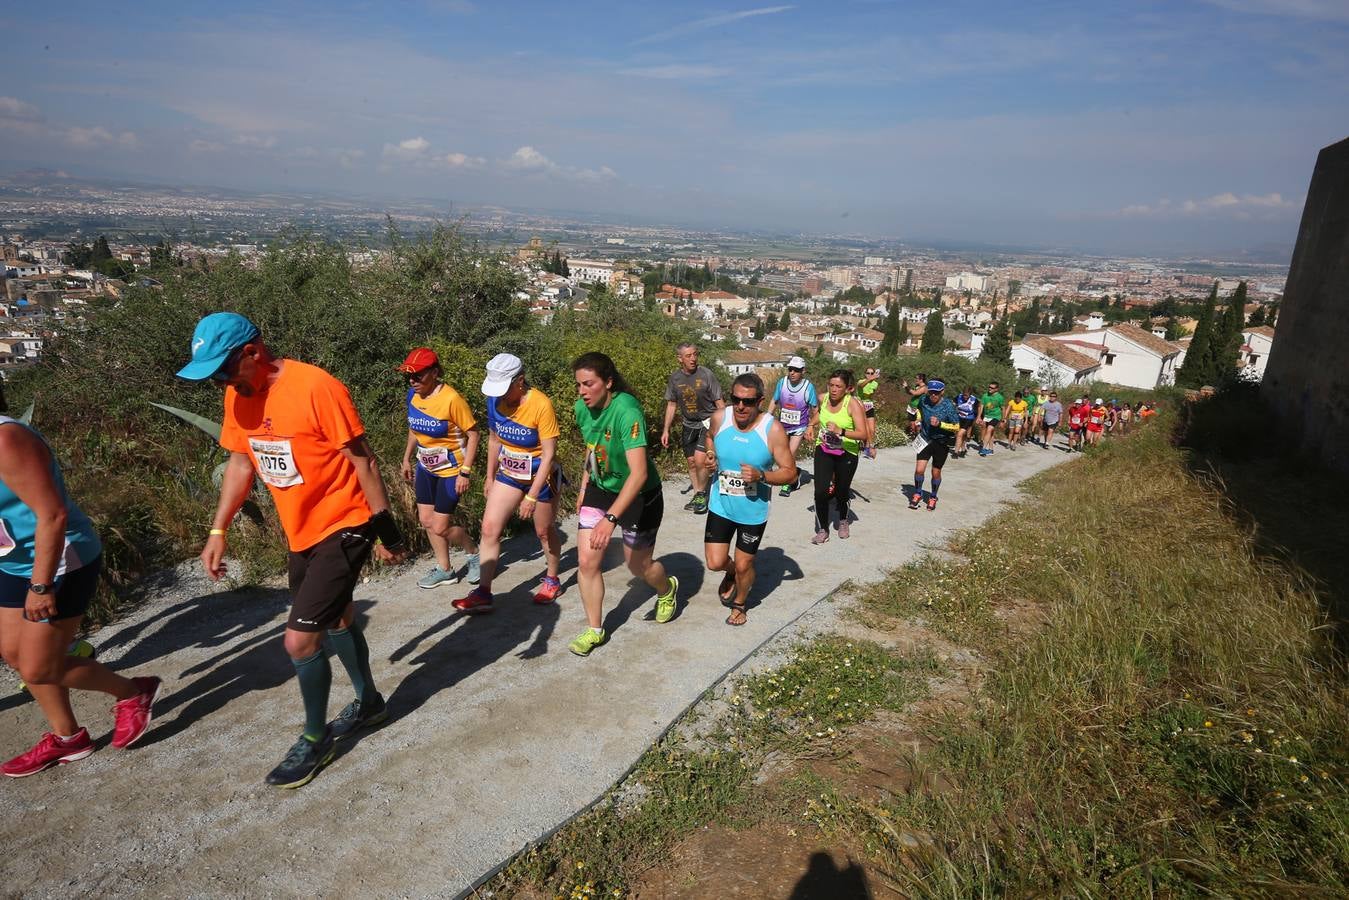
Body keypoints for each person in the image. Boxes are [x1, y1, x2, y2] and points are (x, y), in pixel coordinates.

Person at [183, 312, 407, 788]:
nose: (221, 382)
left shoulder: (316, 387)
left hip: (346, 522)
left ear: (252, 352)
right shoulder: (236, 395)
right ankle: (369, 703)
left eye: (223, 370)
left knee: (299, 640)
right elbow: (241, 463)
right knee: (341, 615)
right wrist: (218, 529)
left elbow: (362, 460)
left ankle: (314, 737)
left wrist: (387, 531)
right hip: (299, 530)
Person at [0, 387, 161, 778]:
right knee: (15, 655)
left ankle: (132, 692)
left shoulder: (6, 439)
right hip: (12, 561)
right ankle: (68, 738)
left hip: (58, 562)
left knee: (40, 668)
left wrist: (41, 586)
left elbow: (52, 515)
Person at [571, 352, 680, 656]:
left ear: (607, 382)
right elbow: (592, 448)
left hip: (639, 493)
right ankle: (594, 629)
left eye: (588, 384)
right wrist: (584, 486)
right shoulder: (582, 408)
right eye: (578, 385)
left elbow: (639, 472)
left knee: (638, 565)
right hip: (600, 486)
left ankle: (666, 588)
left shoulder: (627, 411)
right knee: (587, 561)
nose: (581, 391)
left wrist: (610, 519)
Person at [455, 353, 564, 613]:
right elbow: (494, 440)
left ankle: (552, 578)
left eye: (505, 390)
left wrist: (532, 496)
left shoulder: (541, 404)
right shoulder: (494, 400)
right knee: (489, 528)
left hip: (541, 476)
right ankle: (483, 591)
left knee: (543, 532)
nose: (501, 396)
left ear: (520, 381)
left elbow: (549, 454)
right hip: (509, 473)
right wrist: (490, 476)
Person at [703, 374, 797, 626]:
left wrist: (762, 475)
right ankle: (731, 573)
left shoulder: (772, 429)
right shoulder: (720, 418)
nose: (741, 407)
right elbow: (710, 437)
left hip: (752, 511)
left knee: (745, 564)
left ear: (760, 401)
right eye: (736, 400)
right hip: (721, 503)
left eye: (748, 401)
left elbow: (790, 472)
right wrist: (711, 454)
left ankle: (740, 604)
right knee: (715, 562)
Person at [397, 348, 481, 594]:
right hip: (425, 466)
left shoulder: (451, 399)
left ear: (434, 373)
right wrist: (406, 458)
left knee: (441, 526)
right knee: (426, 520)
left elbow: (474, 434)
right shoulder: (413, 395)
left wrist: (465, 471)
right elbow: (414, 427)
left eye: (418, 376)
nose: (412, 381)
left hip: (452, 470)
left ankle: (473, 553)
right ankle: (445, 570)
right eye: (408, 377)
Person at [661, 343, 723, 516]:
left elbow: (719, 402)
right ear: (679, 358)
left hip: (708, 422)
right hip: (689, 424)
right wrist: (666, 429)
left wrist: (724, 425)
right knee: (691, 462)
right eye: (688, 356)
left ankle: (702, 494)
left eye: (695, 354)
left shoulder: (706, 375)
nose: (693, 358)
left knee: (699, 459)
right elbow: (672, 404)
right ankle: (698, 494)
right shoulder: (675, 378)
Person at [812, 370, 867, 544]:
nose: (834, 389)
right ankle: (823, 529)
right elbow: (818, 415)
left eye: (838, 386)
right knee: (820, 491)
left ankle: (843, 519)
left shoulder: (853, 405)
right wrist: (809, 426)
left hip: (847, 452)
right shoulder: (823, 398)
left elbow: (863, 433)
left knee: (841, 491)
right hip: (824, 448)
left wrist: (840, 431)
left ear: (847, 389)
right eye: (831, 385)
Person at [766, 356, 818, 496]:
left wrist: (811, 426)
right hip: (782, 426)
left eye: (796, 370)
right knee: (772, 452)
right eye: (790, 369)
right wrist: (767, 417)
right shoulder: (782, 383)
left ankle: (787, 484)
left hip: (799, 427)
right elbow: (774, 400)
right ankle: (790, 475)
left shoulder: (808, 387)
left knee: (789, 453)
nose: (792, 373)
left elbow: (815, 410)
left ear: (803, 371)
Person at [908, 380, 959, 511]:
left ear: (942, 392)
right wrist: (917, 420)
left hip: (941, 442)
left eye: (936, 393)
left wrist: (940, 424)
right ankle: (917, 493)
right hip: (925, 438)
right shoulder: (924, 400)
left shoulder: (948, 406)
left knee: (935, 473)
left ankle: (933, 496)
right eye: (931, 392)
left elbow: (956, 427)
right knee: (919, 470)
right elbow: (917, 409)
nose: (933, 395)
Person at [856, 367, 880, 459]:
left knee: (872, 429)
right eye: (868, 373)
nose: (870, 374)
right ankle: (868, 447)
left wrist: (871, 380)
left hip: (869, 406)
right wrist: (870, 379)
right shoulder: (860, 381)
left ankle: (868, 446)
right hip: (860, 406)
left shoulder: (875, 383)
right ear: (865, 374)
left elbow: (868, 393)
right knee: (864, 428)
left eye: (872, 373)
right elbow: (861, 386)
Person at [976, 381, 1005, 456]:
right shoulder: (985, 396)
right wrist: (979, 417)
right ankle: (991, 449)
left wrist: (1003, 420)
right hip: (987, 416)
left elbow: (1003, 408)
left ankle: (984, 448)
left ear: (996, 389)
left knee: (989, 429)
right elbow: (981, 406)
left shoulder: (1000, 397)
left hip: (996, 416)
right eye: (989, 387)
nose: (990, 389)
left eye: (992, 388)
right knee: (990, 433)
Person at [954, 386, 977, 458]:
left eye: (967, 396)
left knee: (960, 434)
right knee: (961, 435)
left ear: (970, 395)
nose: (965, 397)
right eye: (964, 395)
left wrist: (979, 417)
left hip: (968, 419)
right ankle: (963, 449)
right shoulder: (959, 396)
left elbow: (979, 407)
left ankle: (956, 452)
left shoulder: (974, 399)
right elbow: (953, 403)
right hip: (959, 417)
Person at [900, 373, 927, 437]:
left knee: (917, 424)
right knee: (912, 423)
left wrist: (907, 386)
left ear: (921, 379)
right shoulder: (917, 386)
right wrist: (906, 388)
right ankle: (913, 437)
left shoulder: (924, 387)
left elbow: (915, 393)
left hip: (918, 408)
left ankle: (919, 436)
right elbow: (910, 393)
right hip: (911, 407)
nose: (915, 379)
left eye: (917, 378)